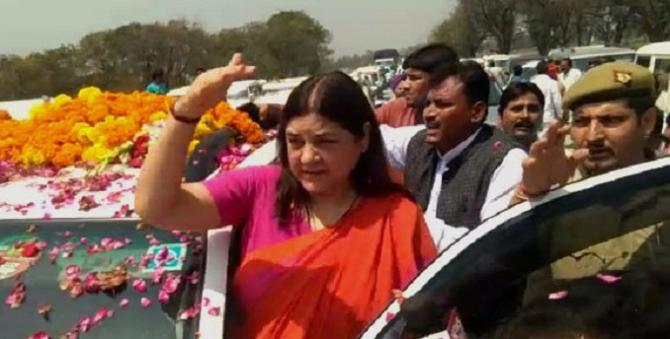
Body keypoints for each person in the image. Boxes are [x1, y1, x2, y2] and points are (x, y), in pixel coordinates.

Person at [134, 54, 436, 339]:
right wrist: (187, 110)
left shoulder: (397, 215)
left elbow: (429, 319)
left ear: (364, 138)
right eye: (294, 142)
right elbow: (157, 207)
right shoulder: (260, 188)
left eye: (325, 141)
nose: (307, 157)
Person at [514, 62, 669, 300]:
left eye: (611, 120)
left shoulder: (662, 194)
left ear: (646, 122)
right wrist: (530, 195)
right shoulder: (558, 196)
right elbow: (507, 270)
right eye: (581, 122)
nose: (592, 136)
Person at [381, 61, 526, 250]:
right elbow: (371, 140)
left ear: (476, 112)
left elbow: (489, 246)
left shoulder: (507, 161)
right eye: (428, 104)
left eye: (442, 105)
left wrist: (407, 221)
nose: (429, 114)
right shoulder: (419, 142)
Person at [375, 44, 459, 127]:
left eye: (414, 78)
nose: (405, 85)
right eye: (405, 78)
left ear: (440, 80)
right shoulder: (397, 108)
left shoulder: (459, 118)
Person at [498, 82, 545, 150]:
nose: (525, 115)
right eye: (517, 109)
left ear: (542, 114)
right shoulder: (486, 156)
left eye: (532, 109)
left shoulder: (551, 156)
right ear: (500, 114)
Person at [531, 60, 563, 126]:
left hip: (534, 118)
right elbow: (557, 101)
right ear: (547, 70)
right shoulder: (551, 83)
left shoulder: (531, 83)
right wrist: (560, 116)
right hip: (548, 118)